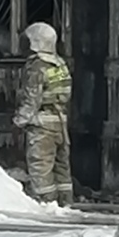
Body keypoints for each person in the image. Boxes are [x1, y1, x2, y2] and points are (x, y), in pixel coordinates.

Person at [12, 19, 74, 204]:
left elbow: (32, 99)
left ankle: (45, 204)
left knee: (41, 167)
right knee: (62, 168)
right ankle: (66, 203)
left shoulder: (37, 67)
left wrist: (18, 122)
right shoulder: (60, 64)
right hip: (60, 123)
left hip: (41, 125)